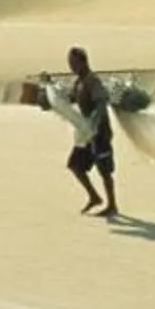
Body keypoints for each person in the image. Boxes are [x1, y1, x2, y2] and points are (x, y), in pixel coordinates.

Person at [32, 45, 121, 220]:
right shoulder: (79, 82)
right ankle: (94, 197)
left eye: (74, 63)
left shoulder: (92, 81)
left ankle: (112, 206)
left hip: (100, 132)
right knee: (75, 165)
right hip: (86, 133)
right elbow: (70, 98)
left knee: (104, 170)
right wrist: (50, 87)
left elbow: (101, 102)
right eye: (70, 63)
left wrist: (95, 122)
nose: (71, 66)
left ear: (83, 62)